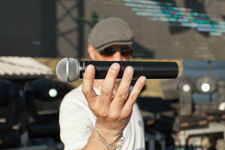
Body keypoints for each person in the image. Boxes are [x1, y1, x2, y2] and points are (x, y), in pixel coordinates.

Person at [59, 17, 146, 150]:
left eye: (125, 51)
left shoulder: (129, 91)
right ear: (92, 52)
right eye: (108, 51)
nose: (118, 58)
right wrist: (107, 131)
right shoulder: (75, 101)